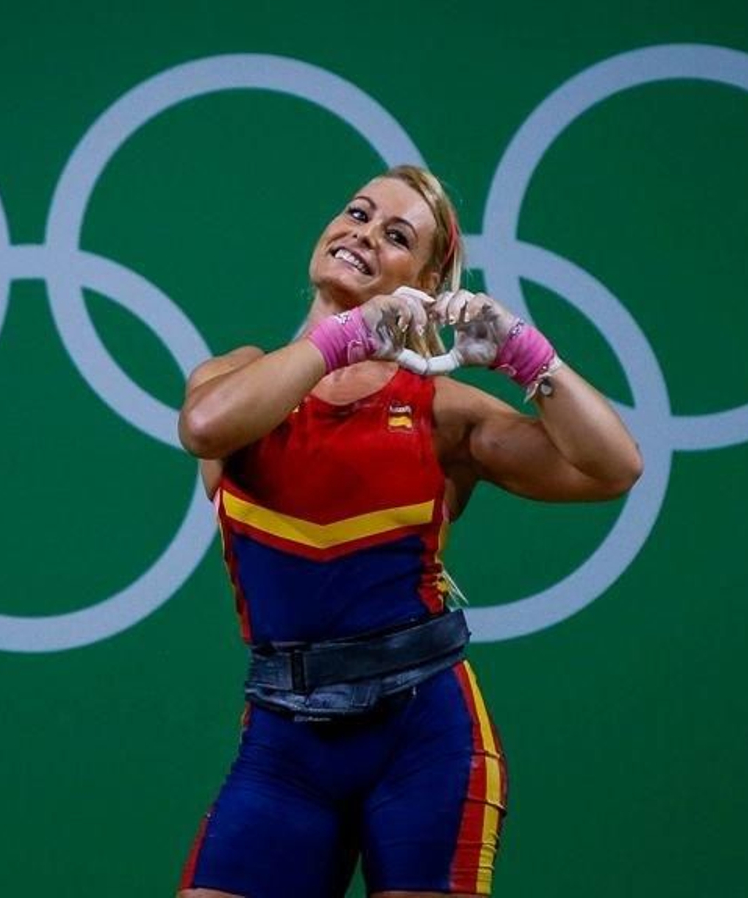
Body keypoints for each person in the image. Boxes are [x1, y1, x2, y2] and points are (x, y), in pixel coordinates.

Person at [175, 165, 642, 898]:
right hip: (284, 744)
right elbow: (203, 427)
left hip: (424, 741)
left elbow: (614, 467)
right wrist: (341, 339)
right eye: (357, 212)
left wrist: (526, 354)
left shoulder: (442, 414)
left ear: (424, 284)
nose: (362, 232)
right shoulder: (238, 377)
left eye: (395, 235)